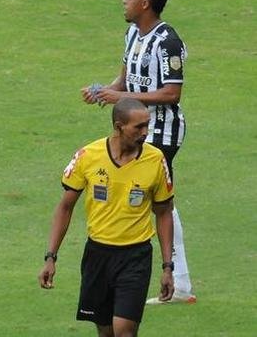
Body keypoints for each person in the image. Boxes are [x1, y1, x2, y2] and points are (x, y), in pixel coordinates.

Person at [82, 0, 196, 304]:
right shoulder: (133, 33)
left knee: (158, 201)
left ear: (144, 4)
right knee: (162, 202)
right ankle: (178, 280)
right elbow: (125, 76)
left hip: (160, 131)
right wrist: (105, 92)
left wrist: (123, 95)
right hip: (135, 124)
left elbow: (172, 93)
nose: (124, 0)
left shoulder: (167, 42)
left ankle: (173, 278)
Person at [39, 98, 175, 337]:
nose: (146, 132)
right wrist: (51, 257)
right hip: (97, 255)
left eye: (147, 125)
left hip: (136, 256)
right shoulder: (88, 156)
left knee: (125, 332)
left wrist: (167, 267)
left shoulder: (155, 160)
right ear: (119, 126)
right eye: (138, 127)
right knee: (106, 332)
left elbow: (164, 213)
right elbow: (65, 207)